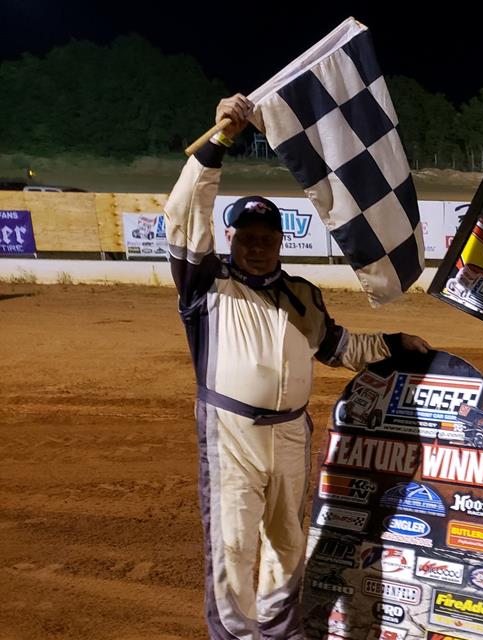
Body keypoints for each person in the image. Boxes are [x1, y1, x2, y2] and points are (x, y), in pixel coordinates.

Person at [165, 93, 430, 640]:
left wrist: (393, 343)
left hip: (290, 432)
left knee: (287, 542)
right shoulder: (206, 286)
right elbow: (184, 212)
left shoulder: (303, 295)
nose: (257, 247)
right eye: (247, 238)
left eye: (267, 239)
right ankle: (236, 636)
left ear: (280, 242)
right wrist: (219, 141)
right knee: (233, 543)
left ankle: (278, 632)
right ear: (231, 239)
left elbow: (340, 349)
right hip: (230, 432)